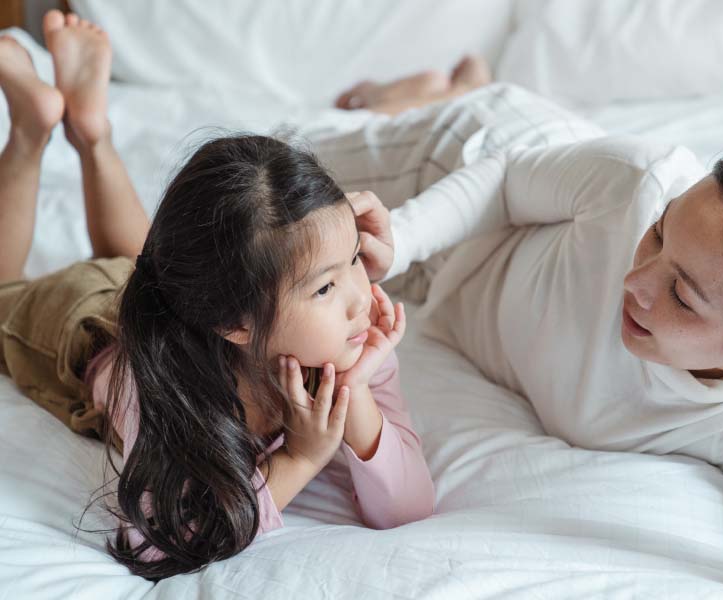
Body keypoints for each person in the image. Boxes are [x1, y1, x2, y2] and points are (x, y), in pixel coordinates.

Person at [314, 78, 723, 599]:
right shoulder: (639, 180)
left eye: (682, 295)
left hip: (452, 287)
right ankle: (446, 91)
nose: (637, 280)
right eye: (659, 233)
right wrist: (402, 236)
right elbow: (508, 180)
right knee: (280, 178)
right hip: (457, 172)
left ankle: (446, 83)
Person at [0, 11, 434, 581]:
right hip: (82, 324)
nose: (359, 297)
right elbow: (158, 542)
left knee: (140, 263)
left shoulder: (350, 334)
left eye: (355, 258)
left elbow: (409, 508)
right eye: (326, 285)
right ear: (237, 323)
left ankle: (90, 129)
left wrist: (355, 391)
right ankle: (32, 131)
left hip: (162, 293)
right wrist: (297, 459)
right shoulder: (159, 383)